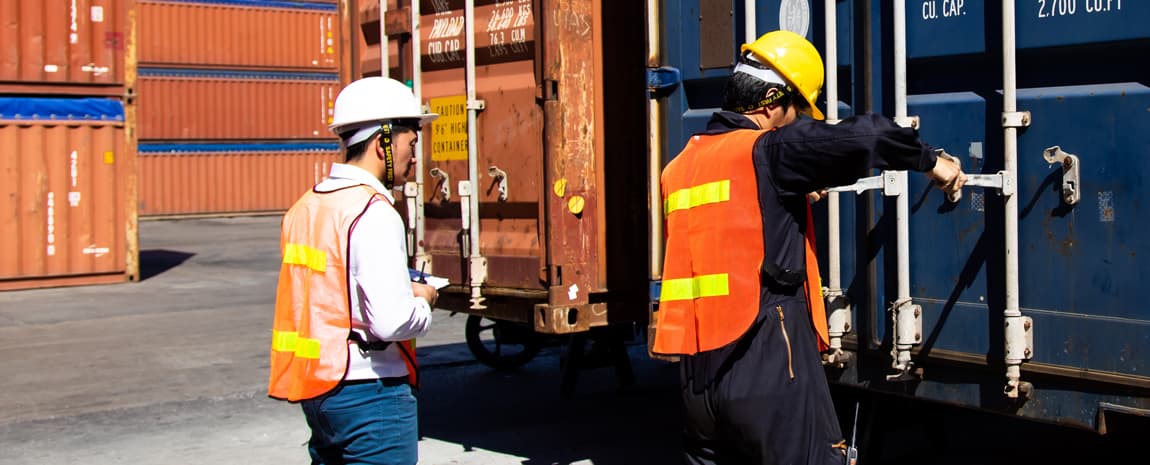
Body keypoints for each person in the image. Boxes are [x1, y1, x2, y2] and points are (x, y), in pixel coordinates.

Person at [653, 30, 966, 465]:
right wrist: (933, 162)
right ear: (770, 102)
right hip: (764, 367)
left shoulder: (679, 167)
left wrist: (789, 195)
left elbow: (735, 231)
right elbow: (870, 136)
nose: (796, 122)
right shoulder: (765, 151)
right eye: (796, 110)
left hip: (698, 382)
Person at [267, 76, 441, 465]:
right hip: (372, 393)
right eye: (411, 144)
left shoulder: (307, 205)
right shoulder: (374, 211)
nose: (415, 157)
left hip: (320, 389)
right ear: (383, 144)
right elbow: (392, 323)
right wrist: (424, 301)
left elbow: (333, 291)